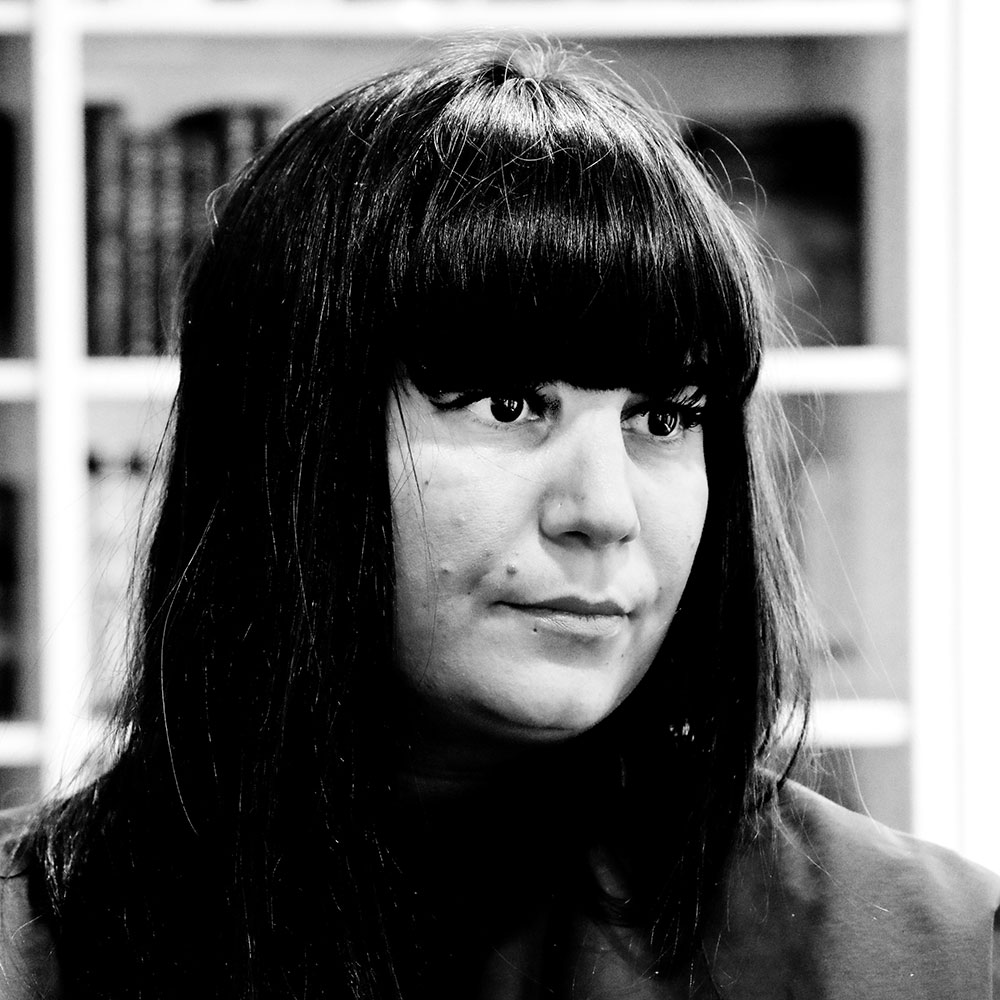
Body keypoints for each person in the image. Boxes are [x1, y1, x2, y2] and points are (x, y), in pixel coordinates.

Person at [1, 38, 997, 1000]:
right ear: (291, 440)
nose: (602, 512)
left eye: (664, 418)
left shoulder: (930, 950)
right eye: (510, 405)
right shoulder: (32, 947)